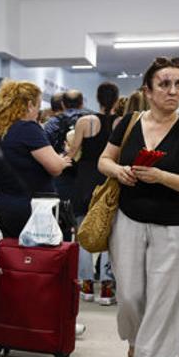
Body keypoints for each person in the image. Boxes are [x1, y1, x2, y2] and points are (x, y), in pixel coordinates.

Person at [98, 57, 179, 357]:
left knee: (163, 299)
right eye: (164, 84)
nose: (172, 91)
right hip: (128, 218)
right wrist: (119, 172)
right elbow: (104, 160)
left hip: (172, 226)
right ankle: (136, 343)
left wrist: (161, 176)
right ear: (148, 90)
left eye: (178, 84)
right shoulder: (128, 123)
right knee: (130, 294)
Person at [0, 80, 72, 240]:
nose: (38, 112)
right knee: (39, 260)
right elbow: (54, 167)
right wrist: (62, 160)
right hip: (33, 210)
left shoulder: (0, 133)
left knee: (17, 259)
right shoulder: (28, 129)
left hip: (4, 208)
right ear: (29, 105)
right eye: (38, 106)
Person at [69, 81, 121, 304]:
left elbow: (73, 153)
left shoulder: (84, 122)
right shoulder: (121, 123)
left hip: (84, 180)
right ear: (116, 100)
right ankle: (107, 289)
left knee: (83, 234)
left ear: (97, 99)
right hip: (109, 180)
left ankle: (86, 285)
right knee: (110, 236)